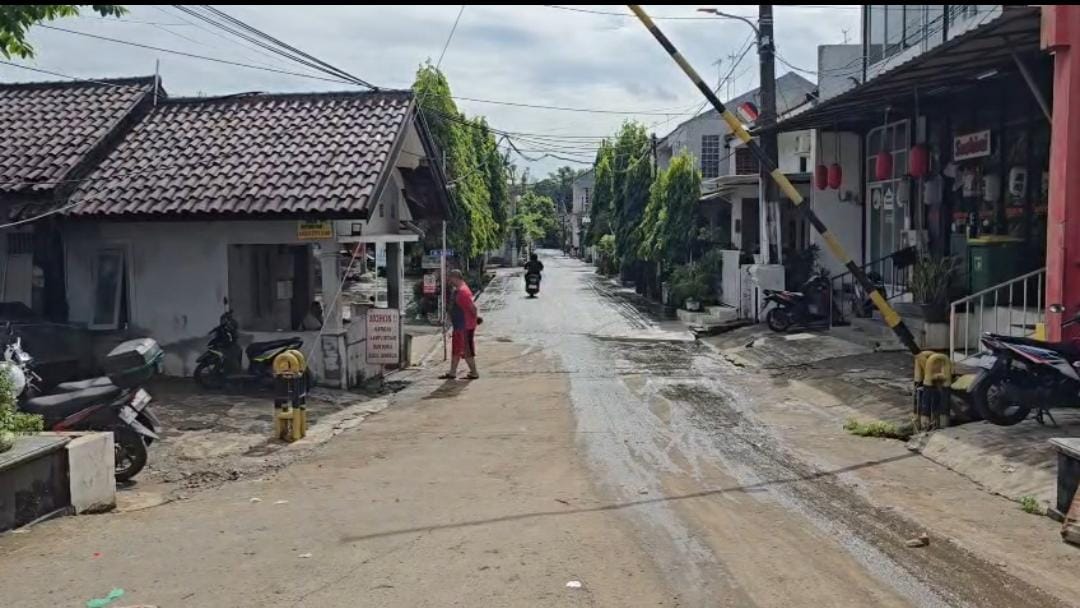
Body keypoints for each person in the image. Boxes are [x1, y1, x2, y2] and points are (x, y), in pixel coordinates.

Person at [441, 269, 479, 380]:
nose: (449, 281)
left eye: (451, 278)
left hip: (465, 325)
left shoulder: (463, 292)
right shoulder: (457, 290)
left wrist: (475, 319)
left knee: (466, 351)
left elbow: (473, 308)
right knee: (456, 350)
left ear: (455, 278)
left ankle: (474, 372)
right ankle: (452, 372)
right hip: (459, 325)